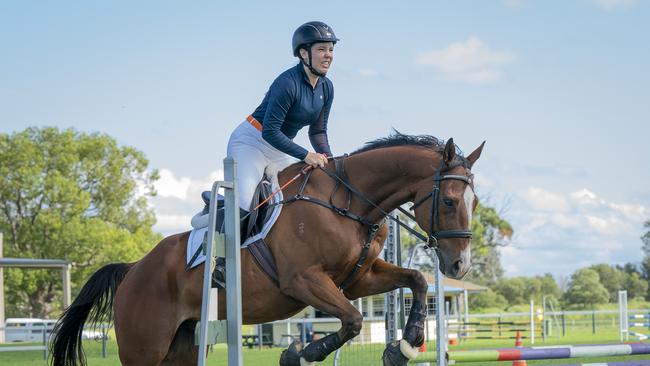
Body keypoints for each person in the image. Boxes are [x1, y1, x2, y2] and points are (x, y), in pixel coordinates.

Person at [226, 21, 339, 212]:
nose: (328, 54)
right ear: (304, 53)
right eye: (322, 49)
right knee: (245, 204)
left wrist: (330, 161)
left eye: (330, 49)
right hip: (251, 143)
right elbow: (270, 132)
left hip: (278, 149)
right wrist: (307, 155)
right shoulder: (287, 83)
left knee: (290, 203)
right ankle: (217, 215)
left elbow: (318, 131)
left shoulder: (327, 87)